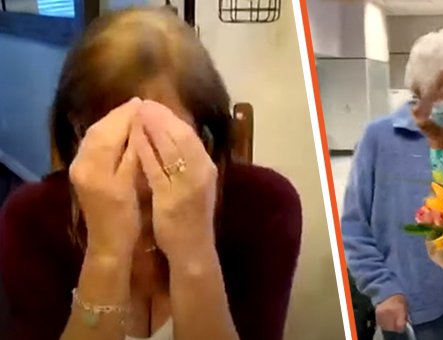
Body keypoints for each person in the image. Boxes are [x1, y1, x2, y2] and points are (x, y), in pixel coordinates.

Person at [0, 7, 302, 340]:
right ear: (77, 132)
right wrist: (106, 254)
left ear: (204, 134)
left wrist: (194, 250)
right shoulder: (29, 218)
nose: (137, 158)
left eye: (162, 134)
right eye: (116, 135)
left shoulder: (265, 207)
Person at [341, 29, 443, 340]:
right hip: (411, 302)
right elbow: (354, 226)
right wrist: (383, 289)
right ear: (422, 90)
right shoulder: (380, 139)